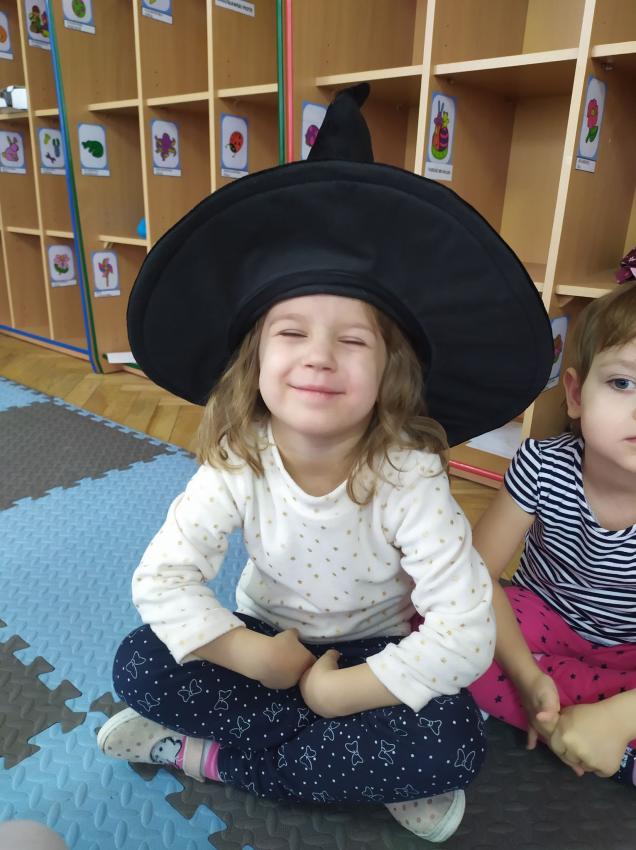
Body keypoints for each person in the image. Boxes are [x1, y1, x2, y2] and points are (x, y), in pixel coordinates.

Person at [97, 84, 553, 842]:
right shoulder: (240, 460)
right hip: (268, 642)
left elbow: (467, 628)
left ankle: (208, 757)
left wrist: (341, 693)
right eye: (291, 332)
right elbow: (161, 581)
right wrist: (254, 655)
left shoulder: (409, 474)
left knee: (455, 743)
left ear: (390, 373)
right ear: (253, 360)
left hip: (368, 656)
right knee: (140, 664)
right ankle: (336, 766)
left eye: (352, 339)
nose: (318, 356)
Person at [469, 282, 636, 788]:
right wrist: (526, 676)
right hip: (538, 622)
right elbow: (475, 576)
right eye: (623, 383)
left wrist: (620, 716)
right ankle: (584, 735)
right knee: (441, 624)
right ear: (575, 395)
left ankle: (600, 730)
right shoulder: (543, 465)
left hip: (628, 654)